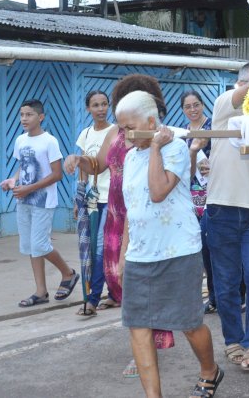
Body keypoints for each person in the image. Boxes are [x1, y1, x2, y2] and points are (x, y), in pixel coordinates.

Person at [63, 74, 173, 377]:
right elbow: (98, 165)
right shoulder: (115, 132)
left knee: (143, 284)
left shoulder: (159, 134)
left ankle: (147, 350)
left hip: (143, 214)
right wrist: (78, 160)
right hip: (115, 213)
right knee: (119, 278)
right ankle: (142, 346)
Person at [115, 90, 222, 398]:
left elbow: (158, 190)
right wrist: (124, 256)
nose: (124, 135)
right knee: (138, 326)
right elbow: (131, 210)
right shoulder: (129, 156)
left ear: (151, 121)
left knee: (188, 323)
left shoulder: (175, 147)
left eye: (128, 127)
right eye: (121, 128)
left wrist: (157, 149)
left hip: (178, 251)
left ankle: (209, 370)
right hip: (140, 254)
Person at [205, 62, 249, 372]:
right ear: (241, 85)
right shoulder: (225, 106)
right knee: (225, 283)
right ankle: (232, 339)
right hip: (220, 209)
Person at [0, 99, 79, 307]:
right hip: (23, 200)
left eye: (29, 115)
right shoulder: (20, 140)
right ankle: (41, 292)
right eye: (22, 115)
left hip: (43, 202)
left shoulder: (49, 141)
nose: (24, 119)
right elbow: (22, 167)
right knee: (30, 247)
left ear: (40, 117)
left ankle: (68, 273)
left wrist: (29, 188)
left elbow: (57, 175)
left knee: (40, 245)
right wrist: (13, 180)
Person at [67, 90, 114, 317]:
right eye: (95, 105)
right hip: (92, 200)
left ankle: (94, 298)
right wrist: (80, 198)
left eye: (104, 104)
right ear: (88, 108)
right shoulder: (85, 134)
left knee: (101, 249)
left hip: (112, 198)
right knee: (93, 248)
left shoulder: (115, 131)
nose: (101, 109)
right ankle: (109, 293)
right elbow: (84, 169)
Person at [180, 90, 217, 314]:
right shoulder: (183, 134)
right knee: (201, 247)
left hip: (214, 191)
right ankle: (211, 296)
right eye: (188, 106)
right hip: (192, 195)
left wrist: (213, 164)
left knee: (216, 246)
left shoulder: (213, 128)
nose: (193, 110)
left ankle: (226, 294)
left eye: (196, 105)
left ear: (203, 105)